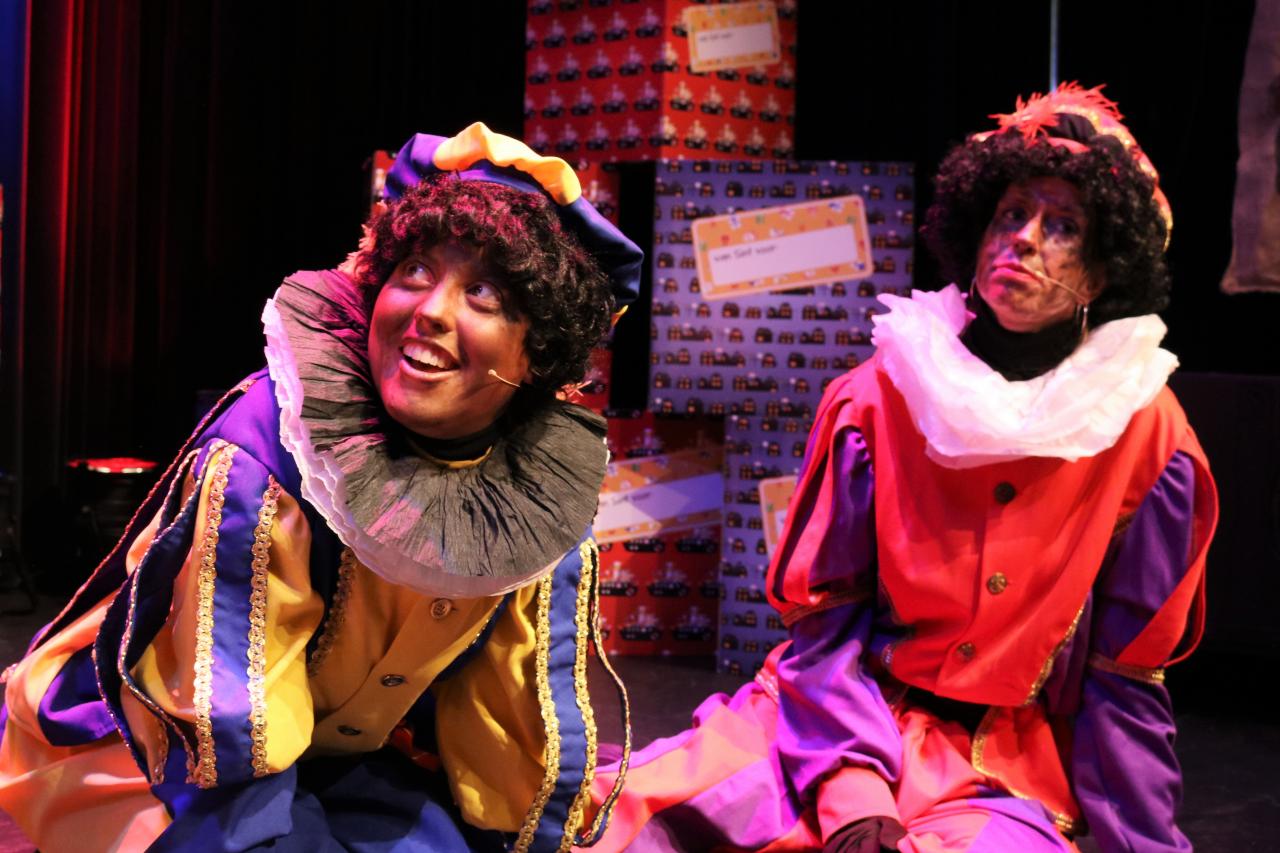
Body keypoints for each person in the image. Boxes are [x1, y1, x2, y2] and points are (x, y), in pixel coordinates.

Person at [585, 84, 1218, 853]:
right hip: (825, 724)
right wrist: (853, 792)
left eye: (1063, 226)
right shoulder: (879, 397)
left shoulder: (1147, 435)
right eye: (1011, 215)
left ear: (1101, 273)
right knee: (625, 829)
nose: (1023, 239)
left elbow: (1126, 677)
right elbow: (827, 629)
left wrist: (1140, 842)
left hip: (997, 768)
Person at [0, 124, 642, 852]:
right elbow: (225, 715)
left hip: (337, 743)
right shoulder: (277, 446)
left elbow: (504, 712)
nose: (432, 311)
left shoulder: (533, 496)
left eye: (485, 293)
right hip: (162, 736)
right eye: (415, 270)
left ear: (538, 354)